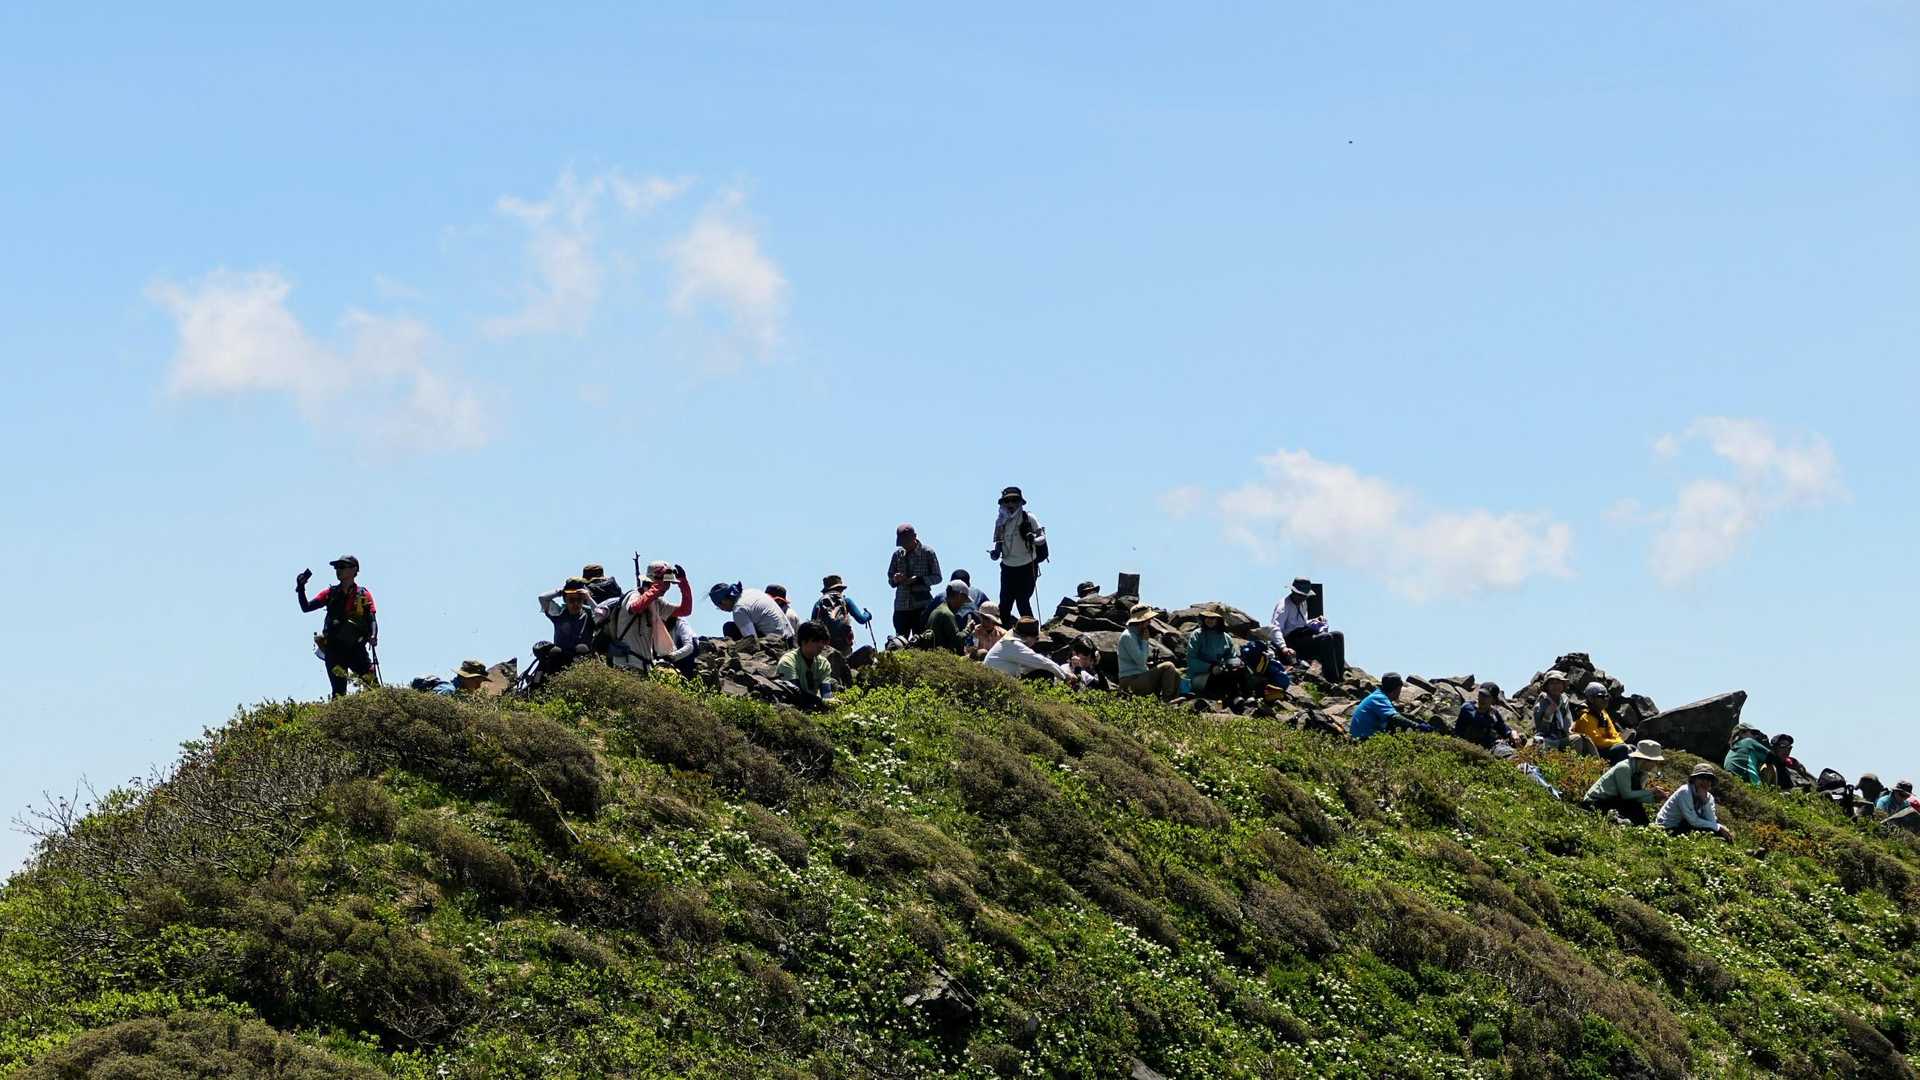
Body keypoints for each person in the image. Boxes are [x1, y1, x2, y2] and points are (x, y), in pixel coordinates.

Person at [296, 555, 379, 699]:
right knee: (339, 693)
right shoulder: (330, 593)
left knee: (373, 684)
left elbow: (372, 618)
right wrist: (301, 588)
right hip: (335, 650)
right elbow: (306, 607)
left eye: (342, 567)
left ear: (354, 570)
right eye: (336, 567)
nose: (338, 570)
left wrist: (373, 636)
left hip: (356, 649)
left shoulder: (363, 594)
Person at [604, 562, 694, 669]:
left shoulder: (657, 603)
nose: (667, 587)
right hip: (626, 663)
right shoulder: (634, 595)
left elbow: (685, 610)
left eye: (669, 583)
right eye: (665, 582)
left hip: (644, 666)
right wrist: (658, 585)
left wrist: (683, 584)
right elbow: (635, 608)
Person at [989, 487, 1047, 620]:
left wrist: (1034, 540)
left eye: (1014, 500)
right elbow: (998, 544)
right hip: (1008, 568)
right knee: (1005, 604)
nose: (1010, 504)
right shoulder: (1000, 521)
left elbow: (1042, 538)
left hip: (1027, 566)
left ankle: (1032, 630)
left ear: (1020, 502)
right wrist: (995, 554)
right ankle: (1005, 630)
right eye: (1007, 501)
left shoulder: (1028, 517)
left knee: (1022, 600)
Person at [1271, 578, 1344, 682]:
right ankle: (1332, 679)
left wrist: (1314, 621)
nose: (1302, 598)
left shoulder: (1303, 603)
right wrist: (1283, 648)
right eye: (1300, 595)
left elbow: (1301, 623)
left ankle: (1339, 677)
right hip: (1291, 643)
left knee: (1338, 635)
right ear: (1293, 591)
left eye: (1304, 595)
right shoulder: (1283, 606)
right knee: (1326, 638)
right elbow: (1275, 628)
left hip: (1302, 636)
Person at [1581, 741, 1668, 825]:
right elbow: (1626, 795)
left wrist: (1654, 798)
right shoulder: (1624, 768)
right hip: (1595, 802)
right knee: (1633, 810)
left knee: (1636, 809)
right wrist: (1652, 791)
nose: (1655, 764)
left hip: (1614, 800)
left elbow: (1635, 797)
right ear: (1645, 760)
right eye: (1654, 761)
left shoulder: (1642, 773)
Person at [887, 524, 942, 638]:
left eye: (907, 542)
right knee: (900, 641)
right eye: (902, 543)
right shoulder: (897, 555)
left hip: (921, 606)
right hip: (901, 606)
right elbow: (890, 578)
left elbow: (937, 577)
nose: (905, 546)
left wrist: (918, 580)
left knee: (921, 640)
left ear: (915, 537)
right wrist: (895, 579)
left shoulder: (927, 552)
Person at [537, 577, 607, 664]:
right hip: (561, 658)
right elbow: (542, 598)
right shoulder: (559, 612)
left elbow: (602, 615)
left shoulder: (589, 613)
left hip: (583, 658)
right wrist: (561, 591)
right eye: (571, 600)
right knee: (551, 652)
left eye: (579, 600)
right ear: (565, 600)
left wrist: (588, 598)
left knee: (582, 648)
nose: (575, 604)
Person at [1117, 604, 1180, 699]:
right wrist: (1144, 641)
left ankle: (1173, 699)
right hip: (1130, 681)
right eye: (1148, 620)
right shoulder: (1128, 636)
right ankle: (1166, 701)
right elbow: (1141, 661)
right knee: (1168, 666)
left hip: (1140, 677)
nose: (1150, 622)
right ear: (1141, 621)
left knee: (1176, 673)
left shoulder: (1138, 634)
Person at [1656, 763, 1734, 839]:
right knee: (1714, 831)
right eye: (1702, 777)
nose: (1705, 782)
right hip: (1667, 827)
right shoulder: (1685, 791)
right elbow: (1693, 820)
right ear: (1694, 779)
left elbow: (1711, 820)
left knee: (1718, 832)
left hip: (1684, 824)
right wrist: (1718, 827)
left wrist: (1705, 801)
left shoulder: (1709, 797)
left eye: (1709, 779)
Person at [1185, 608, 1245, 700]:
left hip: (1220, 673)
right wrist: (1210, 667)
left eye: (1213, 618)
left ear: (1219, 620)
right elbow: (1191, 660)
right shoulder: (1197, 635)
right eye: (1207, 617)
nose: (1209, 620)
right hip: (1198, 677)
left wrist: (1236, 665)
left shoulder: (1226, 638)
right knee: (1219, 679)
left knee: (1239, 672)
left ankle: (1242, 698)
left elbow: (1231, 658)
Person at [983, 616, 1069, 680]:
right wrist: (1065, 676)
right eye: (1036, 639)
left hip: (993, 679)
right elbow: (1043, 663)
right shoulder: (1015, 645)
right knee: (1045, 673)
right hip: (995, 682)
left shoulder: (1008, 643)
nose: (1036, 642)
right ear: (1028, 638)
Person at [708, 582, 793, 641]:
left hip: (777, 641)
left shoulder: (739, 609)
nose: (722, 610)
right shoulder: (751, 592)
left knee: (729, 628)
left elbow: (751, 640)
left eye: (719, 607)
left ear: (724, 601)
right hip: (790, 637)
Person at [811, 575, 875, 653]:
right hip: (843, 643)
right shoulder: (846, 601)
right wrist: (868, 614)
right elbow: (861, 619)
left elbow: (812, 626)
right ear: (840, 589)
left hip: (824, 645)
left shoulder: (819, 603)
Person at [775, 620, 836, 701]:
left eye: (823, 642)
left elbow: (826, 692)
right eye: (816, 641)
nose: (821, 646)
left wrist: (830, 701)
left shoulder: (823, 664)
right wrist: (821, 702)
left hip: (812, 704)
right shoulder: (788, 661)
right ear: (803, 641)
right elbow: (795, 693)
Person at [1350, 673, 1419, 740]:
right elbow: (1395, 717)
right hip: (1363, 739)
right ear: (1396, 688)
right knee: (1398, 724)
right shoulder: (1380, 698)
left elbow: (1397, 714)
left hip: (1360, 737)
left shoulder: (1378, 695)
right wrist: (1418, 726)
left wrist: (1416, 720)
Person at [1571, 682, 1629, 762]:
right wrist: (1619, 743)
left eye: (1607, 696)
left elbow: (1614, 734)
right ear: (1591, 699)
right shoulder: (1586, 717)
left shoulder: (1603, 713)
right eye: (1601, 696)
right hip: (1592, 752)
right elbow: (1597, 741)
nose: (1605, 699)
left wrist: (1620, 742)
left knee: (1631, 748)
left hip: (1604, 747)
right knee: (1622, 749)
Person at [1454, 683, 1517, 751]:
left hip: (1488, 746)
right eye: (1481, 694)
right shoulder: (1468, 707)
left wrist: (1511, 732)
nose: (1482, 698)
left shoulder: (1493, 713)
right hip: (1469, 745)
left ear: (1493, 700)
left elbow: (1502, 728)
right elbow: (1478, 721)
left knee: (1520, 738)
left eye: (1487, 696)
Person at [1531, 670, 1576, 748]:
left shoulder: (1564, 700)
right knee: (1539, 743)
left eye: (1558, 683)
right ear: (1547, 687)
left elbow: (1568, 722)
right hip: (1547, 740)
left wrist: (1571, 727)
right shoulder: (1541, 705)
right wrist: (1547, 716)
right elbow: (1540, 731)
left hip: (1562, 738)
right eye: (1552, 683)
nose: (1556, 686)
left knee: (1580, 739)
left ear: (1563, 685)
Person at [926, 580, 973, 654]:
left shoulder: (937, 610)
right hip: (942, 657)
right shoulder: (947, 614)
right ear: (960, 596)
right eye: (964, 600)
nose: (963, 604)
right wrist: (968, 629)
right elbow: (957, 640)